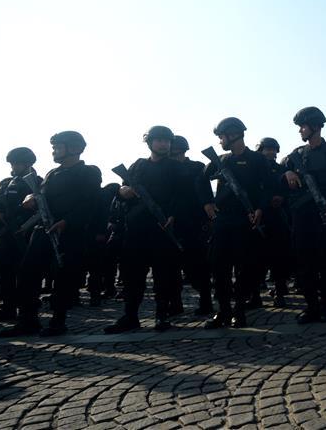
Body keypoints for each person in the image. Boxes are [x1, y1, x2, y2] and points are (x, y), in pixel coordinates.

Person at [1, 131, 102, 337]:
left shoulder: (89, 172)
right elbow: (42, 195)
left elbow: (90, 203)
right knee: (27, 273)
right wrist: (31, 198)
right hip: (44, 230)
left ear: (73, 148)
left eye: (58, 146)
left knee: (64, 278)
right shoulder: (51, 174)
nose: (54, 151)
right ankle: (28, 319)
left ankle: (58, 321)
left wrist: (68, 221)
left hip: (69, 232)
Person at [105, 125, 186, 333]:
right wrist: (123, 191)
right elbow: (123, 190)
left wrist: (173, 215)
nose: (164, 144)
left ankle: (162, 316)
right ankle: (130, 316)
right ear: (150, 142)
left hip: (162, 228)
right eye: (159, 140)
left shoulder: (176, 168)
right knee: (133, 276)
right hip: (136, 228)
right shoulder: (138, 166)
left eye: (167, 141)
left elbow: (183, 195)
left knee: (163, 275)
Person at [203, 117, 273, 329]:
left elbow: (268, 188)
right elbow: (200, 181)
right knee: (219, 267)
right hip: (223, 219)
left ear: (233, 135)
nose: (220, 141)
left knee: (245, 268)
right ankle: (222, 311)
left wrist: (261, 208)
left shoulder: (257, 160)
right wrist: (207, 202)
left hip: (247, 219)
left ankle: (239, 310)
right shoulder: (220, 160)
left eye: (222, 137)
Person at [282, 107, 326, 323]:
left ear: (316, 127)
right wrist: (287, 172)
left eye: (303, 126)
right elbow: (277, 175)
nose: (300, 131)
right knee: (304, 261)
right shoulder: (296, 155)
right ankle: (311, 305)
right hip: (302, 215)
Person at [0, 148, 40, 323]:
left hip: (23, 235)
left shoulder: (35, 183)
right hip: (4, 235)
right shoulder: (8, 183)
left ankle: (27, 312)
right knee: (3, 273)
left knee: (24, 275)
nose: (13, 167)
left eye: (16, 163)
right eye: (12, 163)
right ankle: (8, 308)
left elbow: (36, 209)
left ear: (27, 164)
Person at [169, 135, 215, 315]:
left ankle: (205, 301)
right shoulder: (166, 169)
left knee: (197, 267)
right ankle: (175, 303)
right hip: (171, 222)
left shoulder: (196, 167)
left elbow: (205, 192)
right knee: (171, 267)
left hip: (195, 222)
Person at [256, 137, 291, 307]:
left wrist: (282, 198)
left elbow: (290, 191)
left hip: (278, 217)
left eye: (273, 149)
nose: (270, 152)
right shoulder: (254, 168)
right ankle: (254, 294)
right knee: (256, 258)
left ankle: (279, 290)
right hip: (258, 215)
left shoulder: (281, 169)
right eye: (266, 149)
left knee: (279, 257)